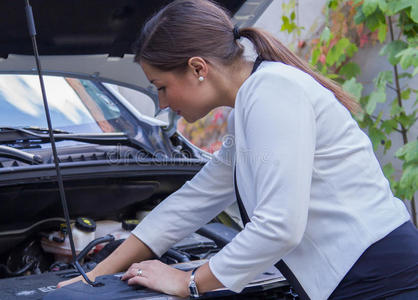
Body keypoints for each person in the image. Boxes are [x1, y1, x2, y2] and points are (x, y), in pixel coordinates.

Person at [57, 0, 418, 299]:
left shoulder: (272, 94)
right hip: (366, 277)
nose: (162, 103)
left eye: (161, 86)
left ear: (198, 68)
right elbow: (193, 200)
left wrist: (189, 281)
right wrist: (94, 276)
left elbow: (279, 227)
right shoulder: (252, 104)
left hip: (383, 280)